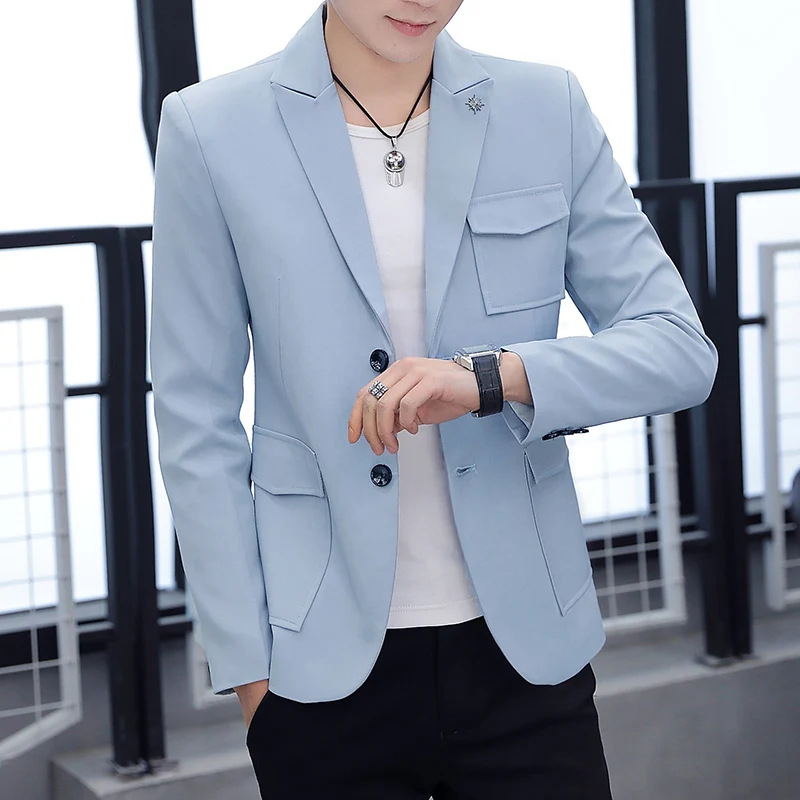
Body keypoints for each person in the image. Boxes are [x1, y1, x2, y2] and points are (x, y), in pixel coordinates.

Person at [149, 1, 719, 797]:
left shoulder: (545, 107)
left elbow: (678, 348)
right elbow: (194, 418)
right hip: (319, 669)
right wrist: (252, 678)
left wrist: (494, 377)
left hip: (526, 658)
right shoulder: (210, 129)